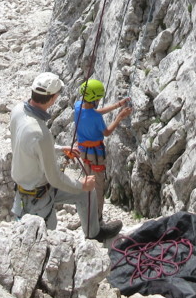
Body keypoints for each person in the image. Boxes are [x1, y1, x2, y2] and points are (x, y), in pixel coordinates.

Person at [10, 71, 120, 240]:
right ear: (53, 98)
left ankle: (94, 233)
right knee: (47, 238)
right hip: (39, 195)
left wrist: (60, 148)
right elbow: (54, 178)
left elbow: (29, 145)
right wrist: (81, 184)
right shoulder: (40, 133)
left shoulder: (18, 110)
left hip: (27, 189)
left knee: (87, 194)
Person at [72, 78, 132, 237]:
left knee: (87, 183)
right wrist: (120, 116)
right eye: (98, 98)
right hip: (95, 156)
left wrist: (117, 105)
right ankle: (97, 225)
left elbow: (93, 112)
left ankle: (87, 217)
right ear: (95, 99)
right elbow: (106, 132)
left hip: (83, 152)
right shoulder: (96, 118)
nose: (99, 101)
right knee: (97, 187)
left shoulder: (77, 107)